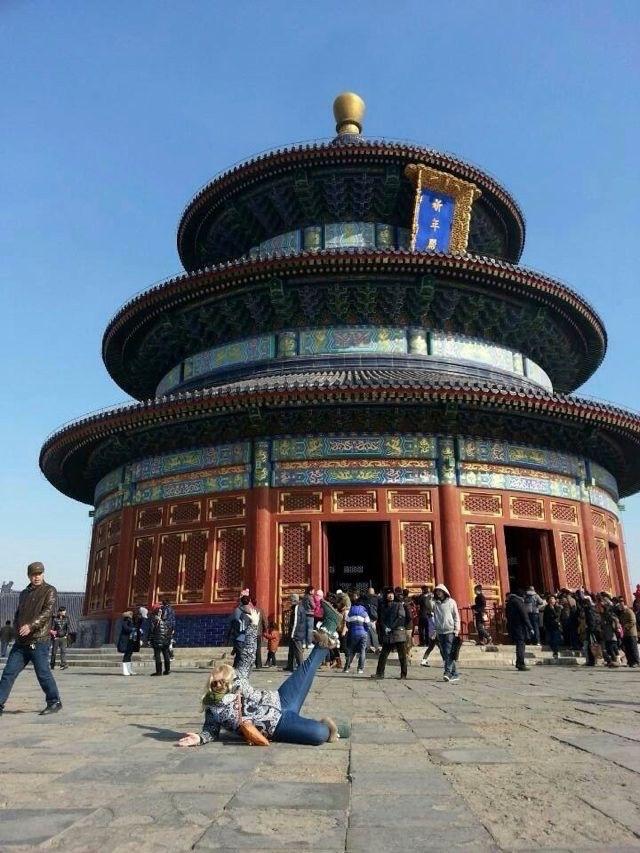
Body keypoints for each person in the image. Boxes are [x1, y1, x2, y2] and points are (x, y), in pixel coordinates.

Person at [176, 608, 347, 747]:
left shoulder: (239, 679)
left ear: (229, 680)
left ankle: (329, 626)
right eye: (214, 680)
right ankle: (337, 728)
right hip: (279, 726)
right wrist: (199, 738)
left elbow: (248, 655)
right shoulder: (212, 708)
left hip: (281, 698)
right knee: (318, 735)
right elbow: (210, 731)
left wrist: (253, 625)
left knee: (306, 669)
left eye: (222, 680)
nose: (217, 682)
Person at [0, 561, 62, 715]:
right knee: (8, 673)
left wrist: (31, 626)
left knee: (42, 673)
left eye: (39, 574)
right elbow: (18, 614)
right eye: (34, 574)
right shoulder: (24, 593)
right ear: (28, 576)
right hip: (21, 643)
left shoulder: (49, 590)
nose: (37, 577)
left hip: (39, 640)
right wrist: (17, 628)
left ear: (43, 574)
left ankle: (54, 701)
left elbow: (47, 612)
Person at [371, 588, 411, 680]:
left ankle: (403, 674)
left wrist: (391, 627)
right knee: (383, 654)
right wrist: (385, 627)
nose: (390, 595)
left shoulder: (399, 605)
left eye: (392, 594)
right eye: (388, 594)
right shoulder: (383, 606)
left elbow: (401, 617)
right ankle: (380, 673)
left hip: (398, 632)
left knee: (402, 655)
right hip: (388, 634)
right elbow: (381, 619)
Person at [433, 584, 461, 683]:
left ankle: (447, 672)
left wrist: (456, 630)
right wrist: (435, 630)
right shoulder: (436, 604)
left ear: (444, 591)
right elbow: (435, 618)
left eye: (440, 591)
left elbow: (456, 616)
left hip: (450, 631)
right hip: (440, 631)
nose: (438, 592)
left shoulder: (451, 602)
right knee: (445, 653)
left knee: (449, 651)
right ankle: (455, 673)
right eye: (437, 591)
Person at [505, 589, 533, 671]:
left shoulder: (509, 602)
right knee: (521, 644)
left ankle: (519, 663)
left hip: (513, 626)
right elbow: (524, 615)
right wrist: (530, 627)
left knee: (519, 644)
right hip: (519, 626)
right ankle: (520, 663)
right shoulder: (518, 602)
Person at [343, 595, 371, 674]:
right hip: (363, 634)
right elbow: (368, 624)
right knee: (362, 651)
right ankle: (360, 669)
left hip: (353, 634)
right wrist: (365, 629)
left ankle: (346, 668)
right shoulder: (364, 612)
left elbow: (347, 623)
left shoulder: (351, 612)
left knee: (351, 651)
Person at [229, 595, 253, 669]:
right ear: (249, 601)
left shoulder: (237, 610)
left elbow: (232, 621)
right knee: (241, 652)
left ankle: (237, 666)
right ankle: (237, 666)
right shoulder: (251, 610)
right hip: (247, 634)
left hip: (238, 634)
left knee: (240, 652)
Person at [283, 594, 306, 672]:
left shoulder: (297, 608)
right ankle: (290, 666)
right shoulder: (300, 607)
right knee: (291, 650)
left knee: (298, 651)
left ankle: (301, 667)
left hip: (296, 633)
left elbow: (296, 622)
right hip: (298, 632)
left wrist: (293, 634)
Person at [148, 606, 172, 676]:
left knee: (157, 655)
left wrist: (149, 639)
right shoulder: (165, 620)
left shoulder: (154, 620)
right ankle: (167, 670)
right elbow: (169, 630)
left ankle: (159, 671)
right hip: (165, 640)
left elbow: (151, 630)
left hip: (157, 640)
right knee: (166, 654)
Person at [616, 600, 640, 667]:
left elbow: (633, 621)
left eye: (621, 605)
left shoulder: (629, 611)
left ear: (624, 605)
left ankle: (636, 662)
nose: (620, 607)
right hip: (625, 633)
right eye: (619, 606)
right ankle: (630, 661)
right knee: (627, 648)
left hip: (631, 633)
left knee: (633, 648)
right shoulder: (622, 613)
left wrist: (625, 627)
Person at [117, 610, 139, 675]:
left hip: (130, 639)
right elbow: (126, 628)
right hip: (126, 639)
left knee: (129, 655)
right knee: (126, 655)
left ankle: (129, 670)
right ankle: (125, 670)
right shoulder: (126, 620)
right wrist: (133, 629)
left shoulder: (131, 620)